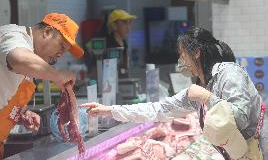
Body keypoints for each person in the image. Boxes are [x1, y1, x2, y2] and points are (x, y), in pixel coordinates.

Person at [81, 27, 266, 160]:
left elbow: (241, 118)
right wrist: (109, 110)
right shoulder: (200, 86)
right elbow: (159, 109)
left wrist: (207, 98)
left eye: (182, 54)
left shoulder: (229, 73)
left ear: (197, 53)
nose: (180, 60)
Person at [0, 13, 84, 160]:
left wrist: (21, 115)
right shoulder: (13, 34)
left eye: (65, 51)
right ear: (47, 32)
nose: (61, 55)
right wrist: (57, 75)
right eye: (61, 46)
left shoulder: (33, 63)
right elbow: (18, 59)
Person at [105, 9, 136, 77]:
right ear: (114, 26)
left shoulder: (124, 43)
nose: (128, 27)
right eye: (124, 23)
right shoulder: (108, 46)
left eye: (129, 23)